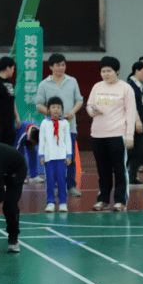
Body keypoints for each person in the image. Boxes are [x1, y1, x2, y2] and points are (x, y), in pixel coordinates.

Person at [86, 56, 139, 212]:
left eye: (109, 71)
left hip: (117, 134)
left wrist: (129, 136)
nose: (105, 74)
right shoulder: (97, 87)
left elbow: (130, 113)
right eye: (103, 71)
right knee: (103, 169)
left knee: (119, 169)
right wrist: (92, 111)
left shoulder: (126, 88)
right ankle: (102, 199)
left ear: (117, 71)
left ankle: (120, 201)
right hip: (97, 134)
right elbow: (89, 105)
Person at [35, 53, 84, 197]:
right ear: (51, 67)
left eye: (63, 64)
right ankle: (54, 186)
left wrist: (73, 111)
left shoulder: (72, 81)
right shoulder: (44, 84)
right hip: (50, 128)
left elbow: (79, 100)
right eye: (57, 65)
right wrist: (52, 114)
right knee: (52, 158)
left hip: (69, 126)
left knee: (70, 156)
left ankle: (71, 186)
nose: (60, 68)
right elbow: (39, 105)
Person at [39, 97, 72, 213]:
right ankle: (50, 202)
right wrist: (41, 155)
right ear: (48, 109)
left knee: (62, 180)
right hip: (49, 157)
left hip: (61, 157)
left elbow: (68, 139)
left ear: (62, 109)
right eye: (53, 107)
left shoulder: (65, 123)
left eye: (59, 107)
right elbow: (41, 140)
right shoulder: (44, 123)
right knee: (50, 181)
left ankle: (63, 202)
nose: (56, 110)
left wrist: (69, 155)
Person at [127, 61, 143, 186]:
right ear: (137, 70)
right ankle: (124, 176)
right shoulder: (129, 86)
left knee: (140, 151)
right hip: (132, 122)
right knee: (130, 150)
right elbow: (130, 105)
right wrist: (137, 120)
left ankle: (132, 177)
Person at [0, 57, 21, 147]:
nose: (13, 71)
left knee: (10, 144)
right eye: (12, 69)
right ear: (8, 68)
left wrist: (17, 116)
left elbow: (12, 100)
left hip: (10, 120)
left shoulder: (9, 81)